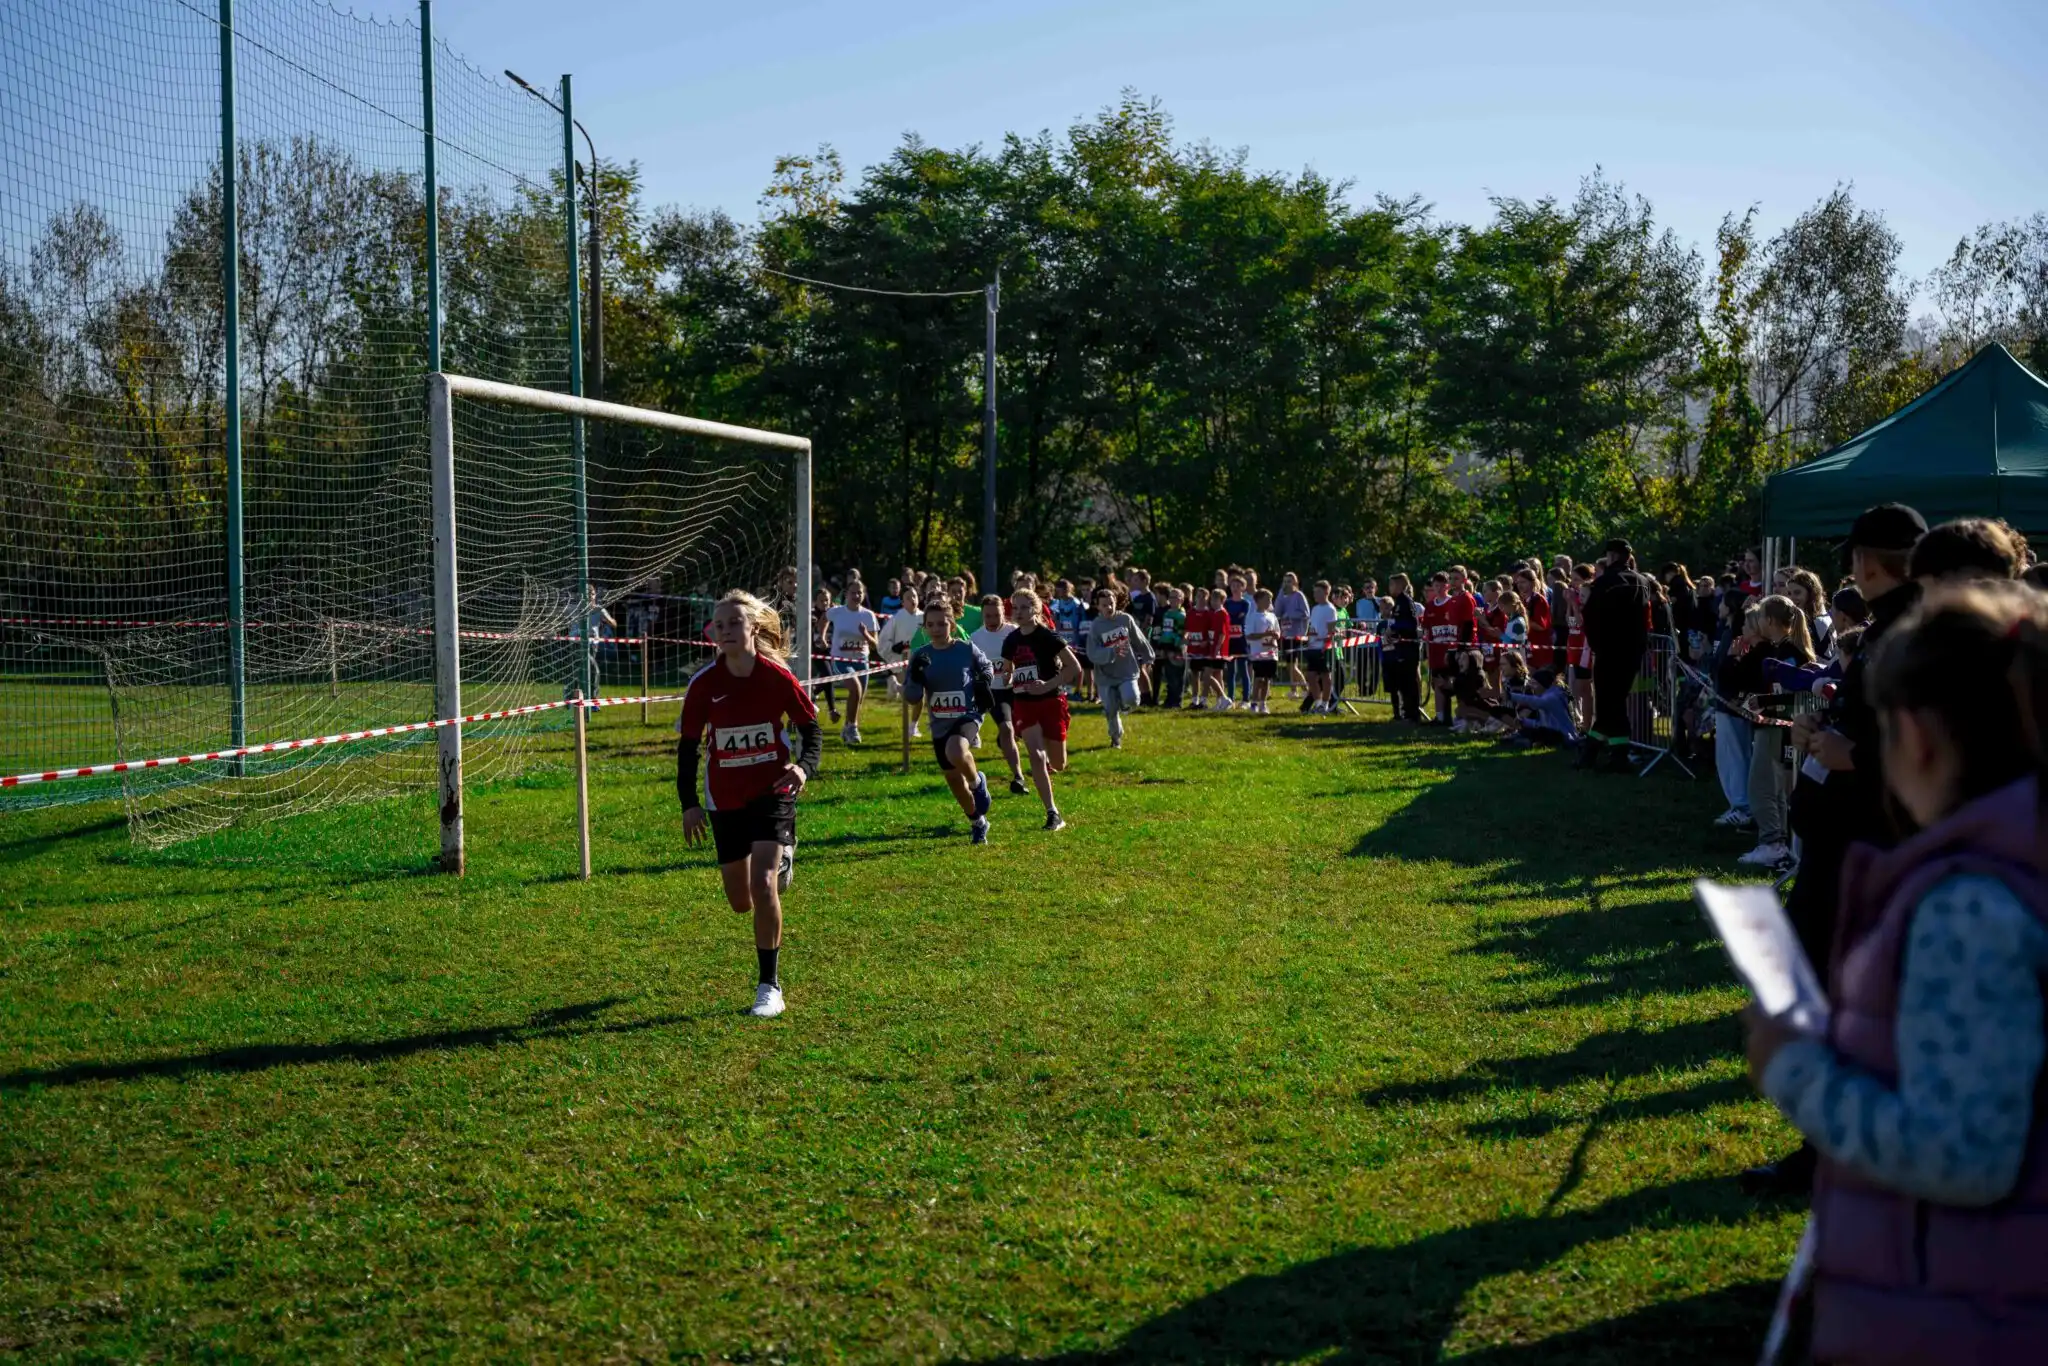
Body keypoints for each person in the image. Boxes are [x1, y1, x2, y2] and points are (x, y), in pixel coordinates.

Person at [1742, 581, 2048, 1364]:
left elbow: (1962, 1154)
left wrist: (1797, 1069)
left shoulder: (1970, 905)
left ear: (1912, 735)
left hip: (1968, 1308)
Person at [1745, 506, 1928, 1197]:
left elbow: (1927, 743)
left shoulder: (1913, 632)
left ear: (1872, 561)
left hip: (1868, 842)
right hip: (1845, 836)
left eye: (1858, 557)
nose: (1852, 568)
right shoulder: (1890, 628)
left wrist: (1857, 755)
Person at [676, 591, 823, 1019]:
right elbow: (687, 749)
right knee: (741, 901)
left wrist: (802, 769)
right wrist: (689, 804)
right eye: (718, 625)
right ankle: (782, 865)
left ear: (753, 629)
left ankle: (769, 986)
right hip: (724, 799)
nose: (724, 631)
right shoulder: (703, 685)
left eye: (733, 623)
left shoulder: (777, 678)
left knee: (763, 885)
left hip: (773, 792)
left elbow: (811, 731)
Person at [1722, 595, 1816, 867]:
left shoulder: (1789, 652)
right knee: (1773, 789)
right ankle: (1776, 842)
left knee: (1761, 786)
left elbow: (1789, 692)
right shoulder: (1774, 649)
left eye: (1761, 616)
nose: (1757, 622)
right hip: (1771, 725)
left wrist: (1764, 703)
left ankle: (1772, 843)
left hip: (1778, 727)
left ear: (1770, 620)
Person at [902, 599, 999, 845]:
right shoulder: (920, 656)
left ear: (952, 625)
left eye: (942, 624)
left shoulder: (966, 649)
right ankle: (978, 822)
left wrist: (983, 679)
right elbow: (912, 698)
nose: (936, 629)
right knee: (954, 781)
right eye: (931, 625)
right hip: (940, 723)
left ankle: (978, 783)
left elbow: (987, 667)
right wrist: (914, 675)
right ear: (924, 628)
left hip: (967, 715)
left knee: (956, 749)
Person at [1003, 588, 1082, 831]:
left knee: (1058, 763)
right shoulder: (1011, 640)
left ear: (1037, 609)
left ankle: (1048, 764)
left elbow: (1074, 668)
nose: (1019, 612)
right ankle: (1052, 812)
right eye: (1015, 608)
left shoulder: (1048, 637)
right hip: (1025, 704)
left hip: (1052, 701)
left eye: (1025, 607)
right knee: (1036, 757)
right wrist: (1009, 680)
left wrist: (1046, 685)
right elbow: (1007, 672)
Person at [1578, 539, 1652, 771]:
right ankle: (1617, 755)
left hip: (1609, 652)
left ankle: (1591, 754)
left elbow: (1590, 618)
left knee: (1608, 704)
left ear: (1611, 557)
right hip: (1632, 653)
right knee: (1616, 703)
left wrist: (1597, 646)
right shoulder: (1643, 582)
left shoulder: (1605, 582)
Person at [970, 593, 1028, 794]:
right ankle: (1018, 777)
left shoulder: (1015, 632)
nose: (993, 621)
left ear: (1004, 613)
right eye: (988, 616)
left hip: (1019, 689)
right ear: (982, 616)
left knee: (1025, 730)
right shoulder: (976, 638)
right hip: (995, 692)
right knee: (1007, 728)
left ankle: (1007, 741)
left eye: (996, 616)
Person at [1086, 585, 1154, 748]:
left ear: (1116, 602)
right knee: (1110, 710)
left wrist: (1148, 656)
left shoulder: (1125, 619)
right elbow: (1092, 652)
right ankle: (1115, 738)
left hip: (1127, 670)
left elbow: (1139, 639)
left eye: (1111, 603)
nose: (1108, 607)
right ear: (1098, 606)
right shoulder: (1096, 626)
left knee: (1132, 699)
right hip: (1105, 675)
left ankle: (1124, 703)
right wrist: (1111, 651)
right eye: (1104, 605)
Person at [824, 579, 880, 746]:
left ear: (863, 595)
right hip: (841, 659)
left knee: (858, 697)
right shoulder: (837, 612)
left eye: (860, 593)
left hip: (861, 660)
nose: (856, 596)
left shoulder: (868, 615)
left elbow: (875, 645)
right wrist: (821, 636)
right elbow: (823, 620)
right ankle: (853, 728)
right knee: (855, 689)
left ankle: (847, 727)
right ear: (846, 594)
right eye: (853, 592)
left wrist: (865, 634)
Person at [1383, 573, 1423, 721]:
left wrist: (1394, 628)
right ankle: (1406, 712)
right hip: (1401, 647)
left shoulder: (1405, 601)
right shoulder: (1398, 601)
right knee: (1403, 682)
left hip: (1409, 648)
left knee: (1409, 682)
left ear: (1400, 585)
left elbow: (1411, 624)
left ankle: (1413, 714)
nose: (1390, 588)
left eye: (1392, 585)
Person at [1304, 579, 1340, 714]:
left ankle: (1325, 704)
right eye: (1314, 592)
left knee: (1326, 675)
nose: (1315, 595)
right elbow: (1312, 627)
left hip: (1324, 647)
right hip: (1313, 647)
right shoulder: (1315, 609)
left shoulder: (1330, 609)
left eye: (1318, 592)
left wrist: (1326, 643)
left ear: (1326, 592)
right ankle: (1318, 702)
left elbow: (1332, 630)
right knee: (1311, 676)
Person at [1241, 587, 1280, 714]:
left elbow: (1278, 632)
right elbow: (1249, 635)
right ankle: (1254, 703)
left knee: (1267, 679)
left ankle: (1263, 703)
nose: (1269, 602)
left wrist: (1274, 635)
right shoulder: (1252, 617)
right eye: (1267, 599)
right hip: (1258, 653)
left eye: (1270, 600)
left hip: (1271, 652)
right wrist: (1263, 635)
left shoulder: (1272, 616)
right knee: (1259, 678)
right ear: (1258, 601)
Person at [1151, 585, 1187, 709]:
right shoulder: (1167, 613)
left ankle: (1177, 701)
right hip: (1165, 647)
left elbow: (1182, 633)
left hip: (1176, 648)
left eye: (1176, 598)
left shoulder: (1181, 615)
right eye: (1171, 597)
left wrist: (1175, 646)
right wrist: (1161, 645)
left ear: (1181, 600)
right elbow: (1165, 631)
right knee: (1169, 675)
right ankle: (1169, 700)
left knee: (1177, 675)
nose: (1172, 600)